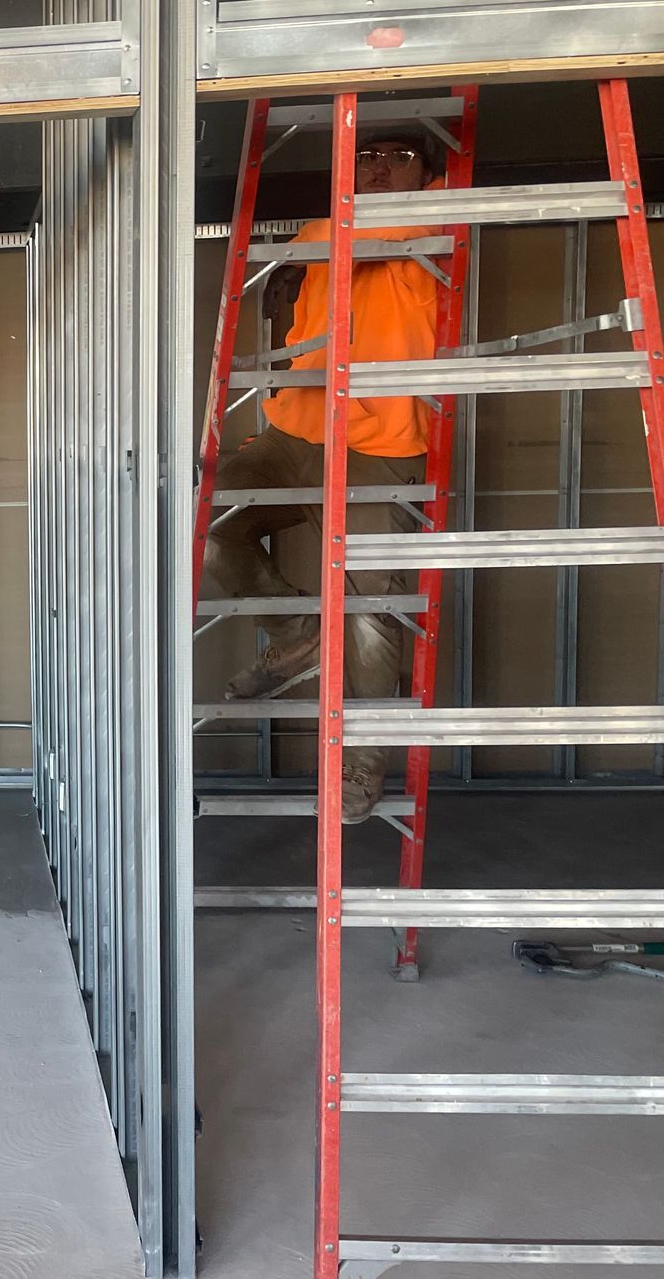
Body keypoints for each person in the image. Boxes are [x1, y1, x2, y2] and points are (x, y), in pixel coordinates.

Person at [204, 129, 445, 822]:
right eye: (366, 156)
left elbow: (356, 243)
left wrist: (330, 241)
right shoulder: (321, 229)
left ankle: (359, 772)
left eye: (401, 158)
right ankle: (299, 627)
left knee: (370, 616)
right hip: (295, 434)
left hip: (380, 442)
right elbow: (324, 261)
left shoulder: (437, 212)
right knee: (210, 522)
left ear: (427, 173)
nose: (379, 169)